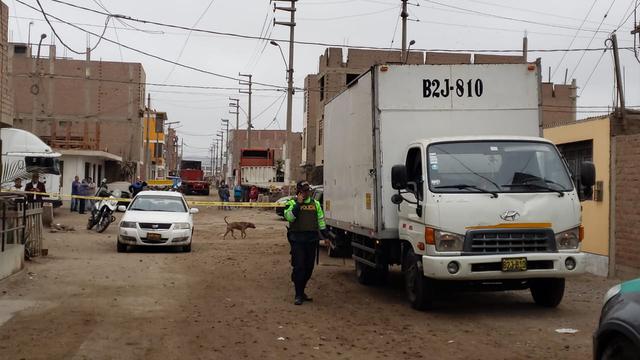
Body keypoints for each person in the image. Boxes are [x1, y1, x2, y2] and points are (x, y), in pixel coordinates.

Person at [284, 181, 327, 305]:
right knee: (299, 267)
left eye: (308, 190)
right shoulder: (291, 203)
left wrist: (325, 235)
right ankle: (298, 294)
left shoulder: (315, 204)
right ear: (299, 191)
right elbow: (290, 217)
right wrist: (298, 204)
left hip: (311, 240)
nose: (307, 192)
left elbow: (320, 221)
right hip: (297, 240)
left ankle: (302, 291)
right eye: (304, 190)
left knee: (309, 268)